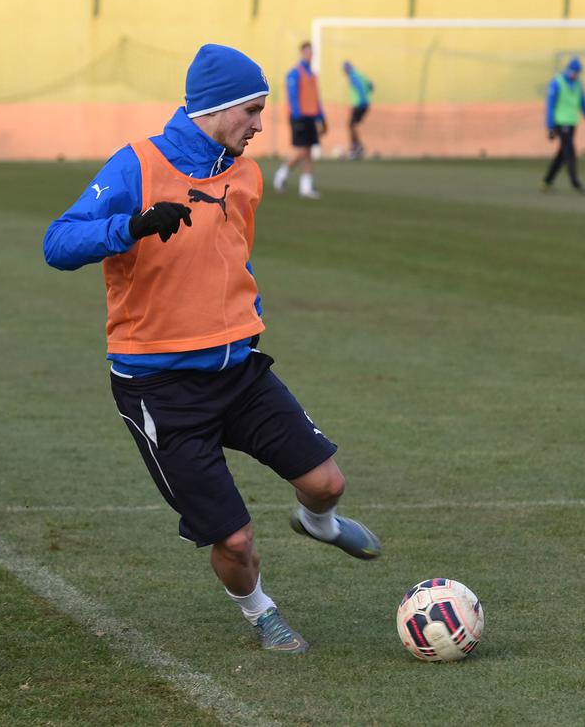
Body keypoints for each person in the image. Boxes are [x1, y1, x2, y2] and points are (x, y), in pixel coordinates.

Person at [43, 44, 381, 655]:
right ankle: (260, 611)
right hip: (160, 389)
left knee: (328, 482)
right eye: (252, 110)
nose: (260, 124)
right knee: (236, 542)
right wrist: (131, 226)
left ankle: (318, 523)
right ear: (217, 108)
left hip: (238, 371)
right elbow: (57, 243)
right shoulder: (136, 165)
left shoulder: (244, 172)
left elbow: (232, 253)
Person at [274, 41, 324, 199]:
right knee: (302, 150)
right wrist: (297, 115)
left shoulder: (313, 75)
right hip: (299, 117)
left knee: (309, 152)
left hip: (311, 116)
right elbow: (293, 96)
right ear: (302, 52)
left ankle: (306, 187)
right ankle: (281, 174)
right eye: (307, 52)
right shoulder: (294, 73)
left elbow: (316, 98)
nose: (310, 55)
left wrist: (321, 117)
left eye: (312, 52)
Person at [541, 57, 585, 193]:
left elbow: (583, 105)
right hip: (560, 122)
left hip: (572, 123)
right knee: (570, 152)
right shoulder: (557, 82)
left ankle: (547, 181)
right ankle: (575, 182)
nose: (575, 75)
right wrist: (550, 126)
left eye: (577, 72)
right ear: (568, 70)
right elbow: (550, 105)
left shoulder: (578, 85)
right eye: (573, 72)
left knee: (562, 154)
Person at [343, 60, 373, 160]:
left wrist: (361, 99)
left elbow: (359, 87)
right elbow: (371, 86)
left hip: (359, 104)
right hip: (365, 103)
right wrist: (367, 96)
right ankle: (356, 147)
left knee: (352, 125)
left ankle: (356, 147)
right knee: (352, 125)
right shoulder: (361, 74)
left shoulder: (353, 76)